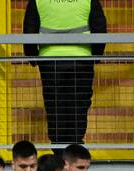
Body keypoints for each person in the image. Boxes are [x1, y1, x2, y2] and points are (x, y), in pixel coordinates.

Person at [23, 0, 107, 147]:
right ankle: (75, 146)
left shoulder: (38, 1)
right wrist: (97, 55)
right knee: (79, 104)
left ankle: (58, 146)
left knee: (55, 104)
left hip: (50, 61)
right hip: (81, 59)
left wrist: (31, 56)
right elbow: (99, 28)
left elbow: (29, 30)